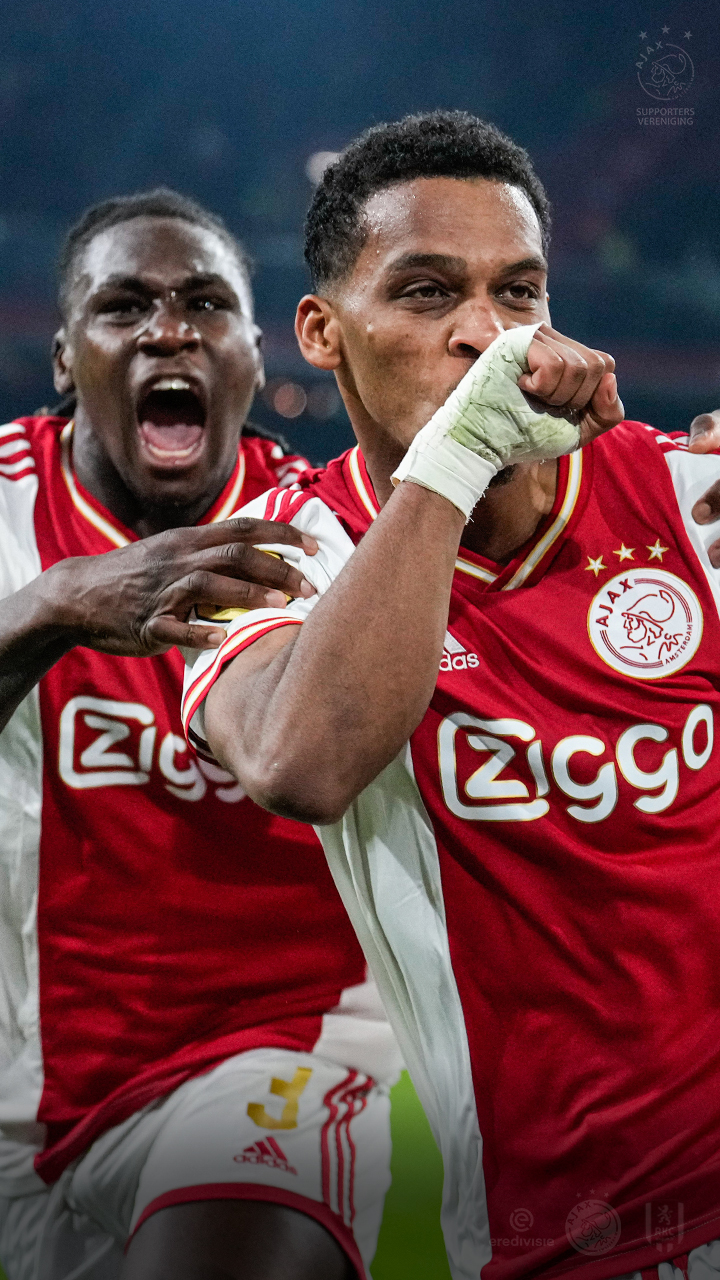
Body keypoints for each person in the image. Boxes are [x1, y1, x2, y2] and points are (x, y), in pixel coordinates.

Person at [183, 111, 720, 1280]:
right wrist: (456, 455)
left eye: (517, 292)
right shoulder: (277, 559)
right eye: (427, 293)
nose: (485, 332)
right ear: (322, 333)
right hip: (565, 1240)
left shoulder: (685, 500)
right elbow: (300, 763)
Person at [0, 188, 399, 1280]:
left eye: (206, 305)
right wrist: (55, 604)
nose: (168, 331)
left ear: (255, 356)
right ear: (64, 356)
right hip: (27, 1078)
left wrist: (676, 486)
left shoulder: (334, 534)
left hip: (273, 1055)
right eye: (124, 306)